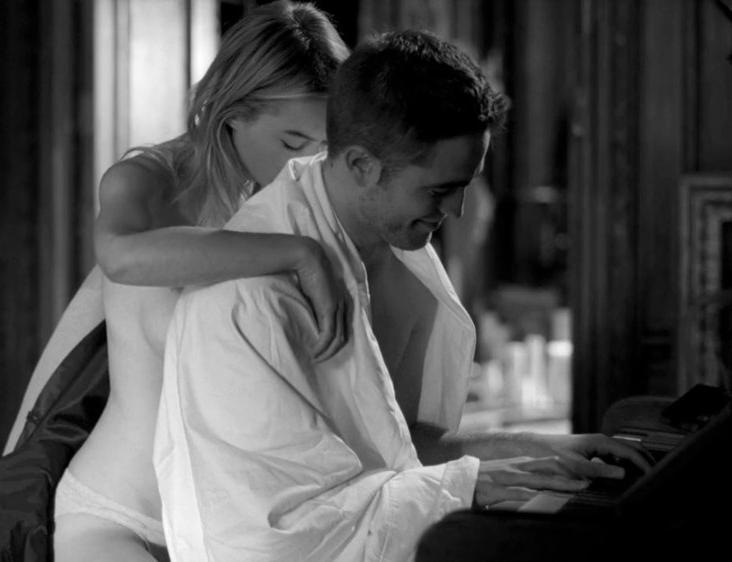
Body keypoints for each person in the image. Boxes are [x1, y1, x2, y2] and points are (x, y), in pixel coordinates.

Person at [154, 30, 652, 562]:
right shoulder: (244, 303)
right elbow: (271, 538)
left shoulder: (394, 247)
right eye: (440, 190)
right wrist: (471, 487)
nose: (457, 211)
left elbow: (392, 448)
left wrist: (539, 449)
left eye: (464, 185)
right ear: (361, 165)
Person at [47, 3, 351, 561]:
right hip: (121, 517)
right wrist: (299, 254)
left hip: (244, 529)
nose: (307, 164)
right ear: (232, 114)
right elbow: (121, 257)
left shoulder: (308, 204)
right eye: (291, 143)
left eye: (325, 146)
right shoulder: (150, 182)